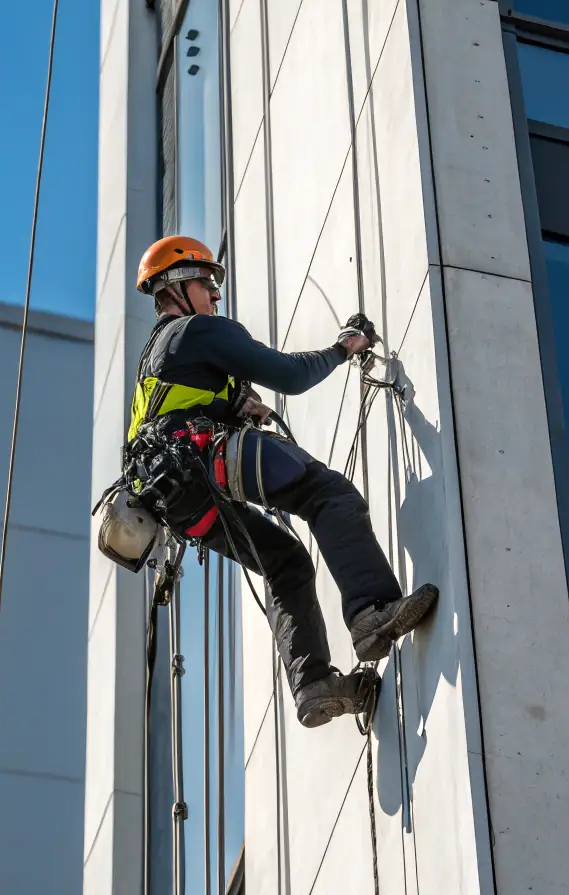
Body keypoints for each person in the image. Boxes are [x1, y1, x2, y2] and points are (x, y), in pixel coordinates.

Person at [128, 234, 438, 728]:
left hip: (182, 502)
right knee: (327, 494)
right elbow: (290, 375)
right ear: (177, 285)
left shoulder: (156, 359)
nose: (215, 295)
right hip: (206, 459)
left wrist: (237, 407)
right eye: (207, 283)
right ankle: (371, 612)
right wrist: (344, 348)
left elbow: (176, 410)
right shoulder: (195, 331)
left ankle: (314, 685)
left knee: (285, 562)